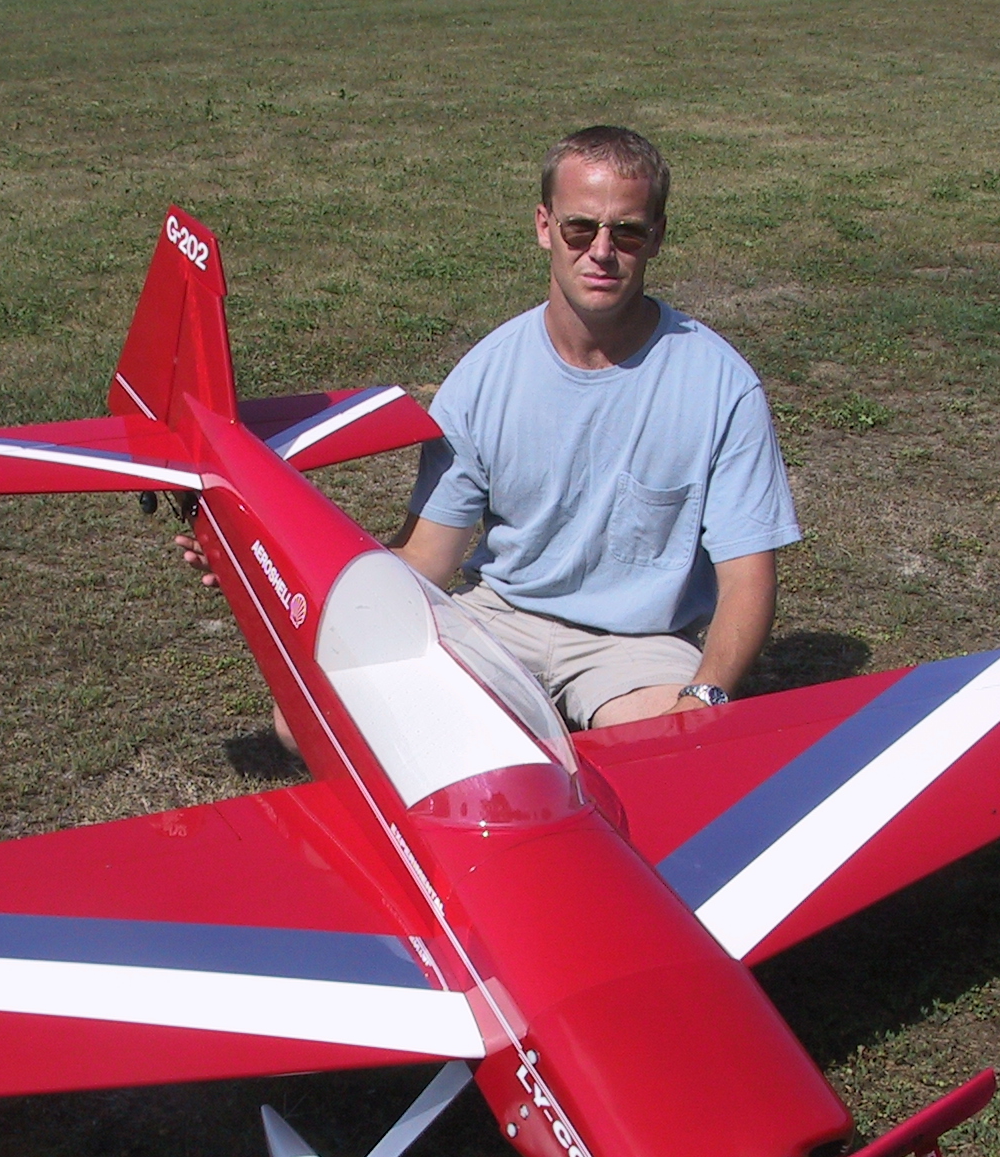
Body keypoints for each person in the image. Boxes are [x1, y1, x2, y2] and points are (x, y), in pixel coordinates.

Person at [182, 124, 798, 737]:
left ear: (657, 238)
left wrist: (704, 693)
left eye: (628, 232)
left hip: (638, 642)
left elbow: (747, 577)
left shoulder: (721, 384)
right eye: (580, 228)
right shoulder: (483, 377)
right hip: (503, 617)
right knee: (305, 724)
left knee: (674, 756)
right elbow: (424, 558)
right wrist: (255, 564)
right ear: (543, 226)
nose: (602, 251)